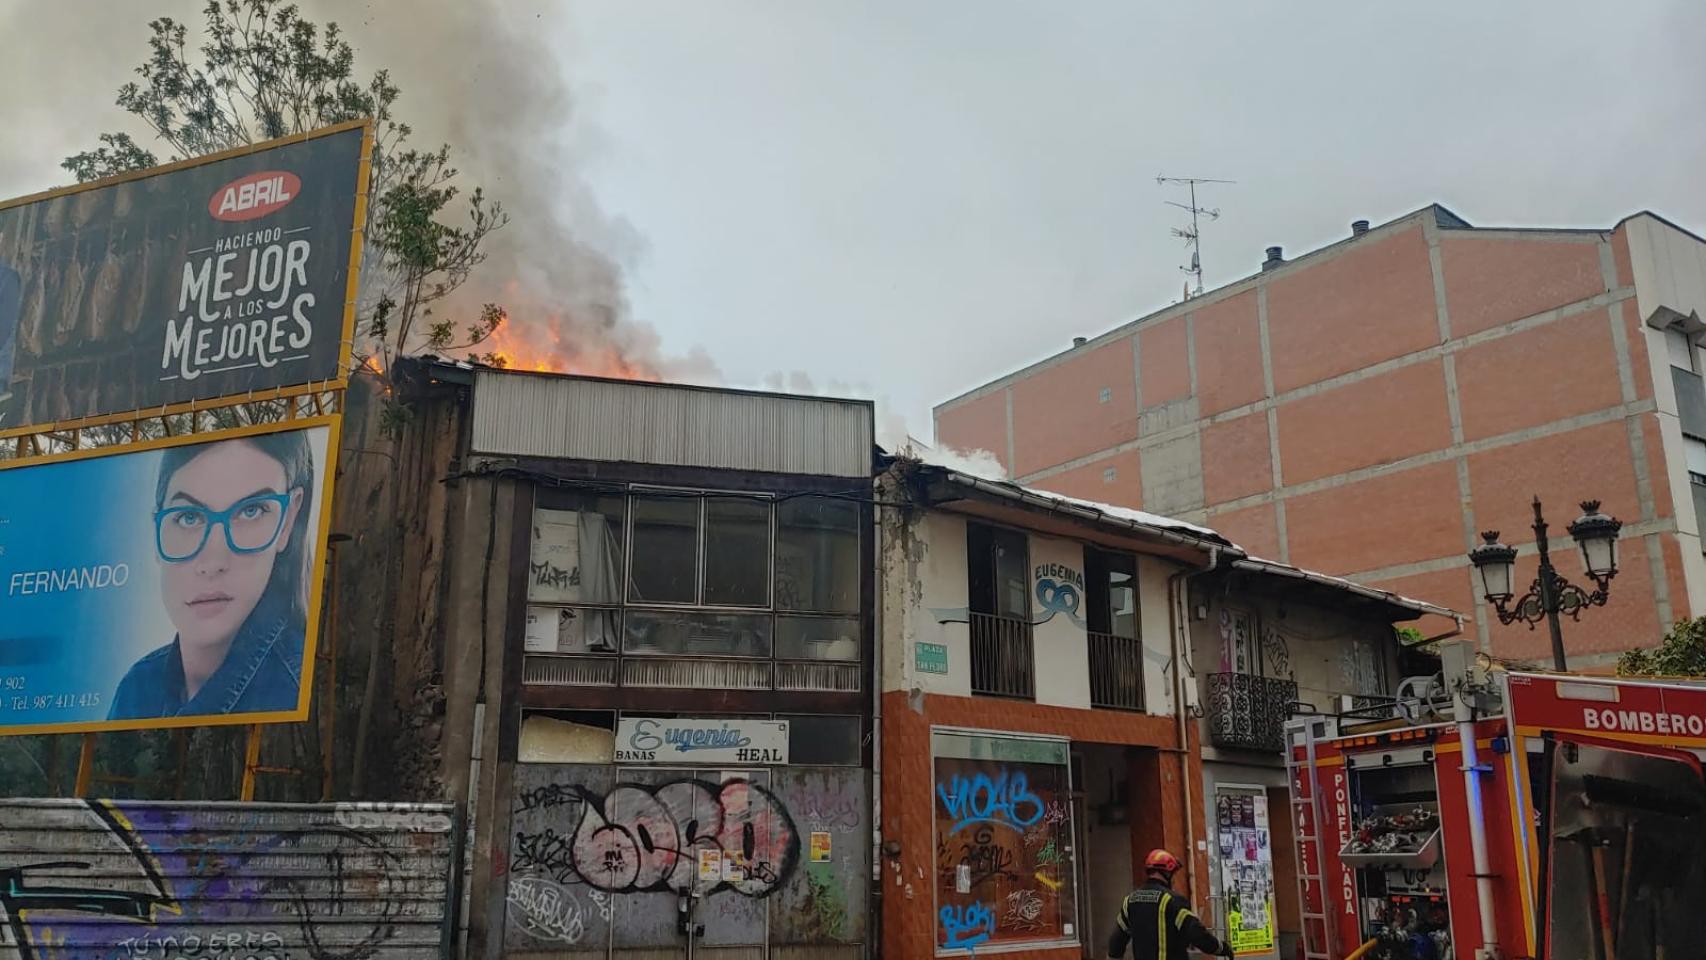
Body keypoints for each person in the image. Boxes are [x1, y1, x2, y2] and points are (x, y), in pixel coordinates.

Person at [108, 431, 314, 720]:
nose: (213, 562)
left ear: (288, 521)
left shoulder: (295, 686)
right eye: (188, 517)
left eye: (251, 511)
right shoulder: (138, 687)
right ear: (156, 529)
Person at [1107, 849, 1235, 960]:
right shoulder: (1173, 901)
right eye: (1173, 874)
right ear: (1167, 873)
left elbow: (1117, 941)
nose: (1173, 879)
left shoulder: (1130, 900)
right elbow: (1198, 935)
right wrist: (1222, 948)